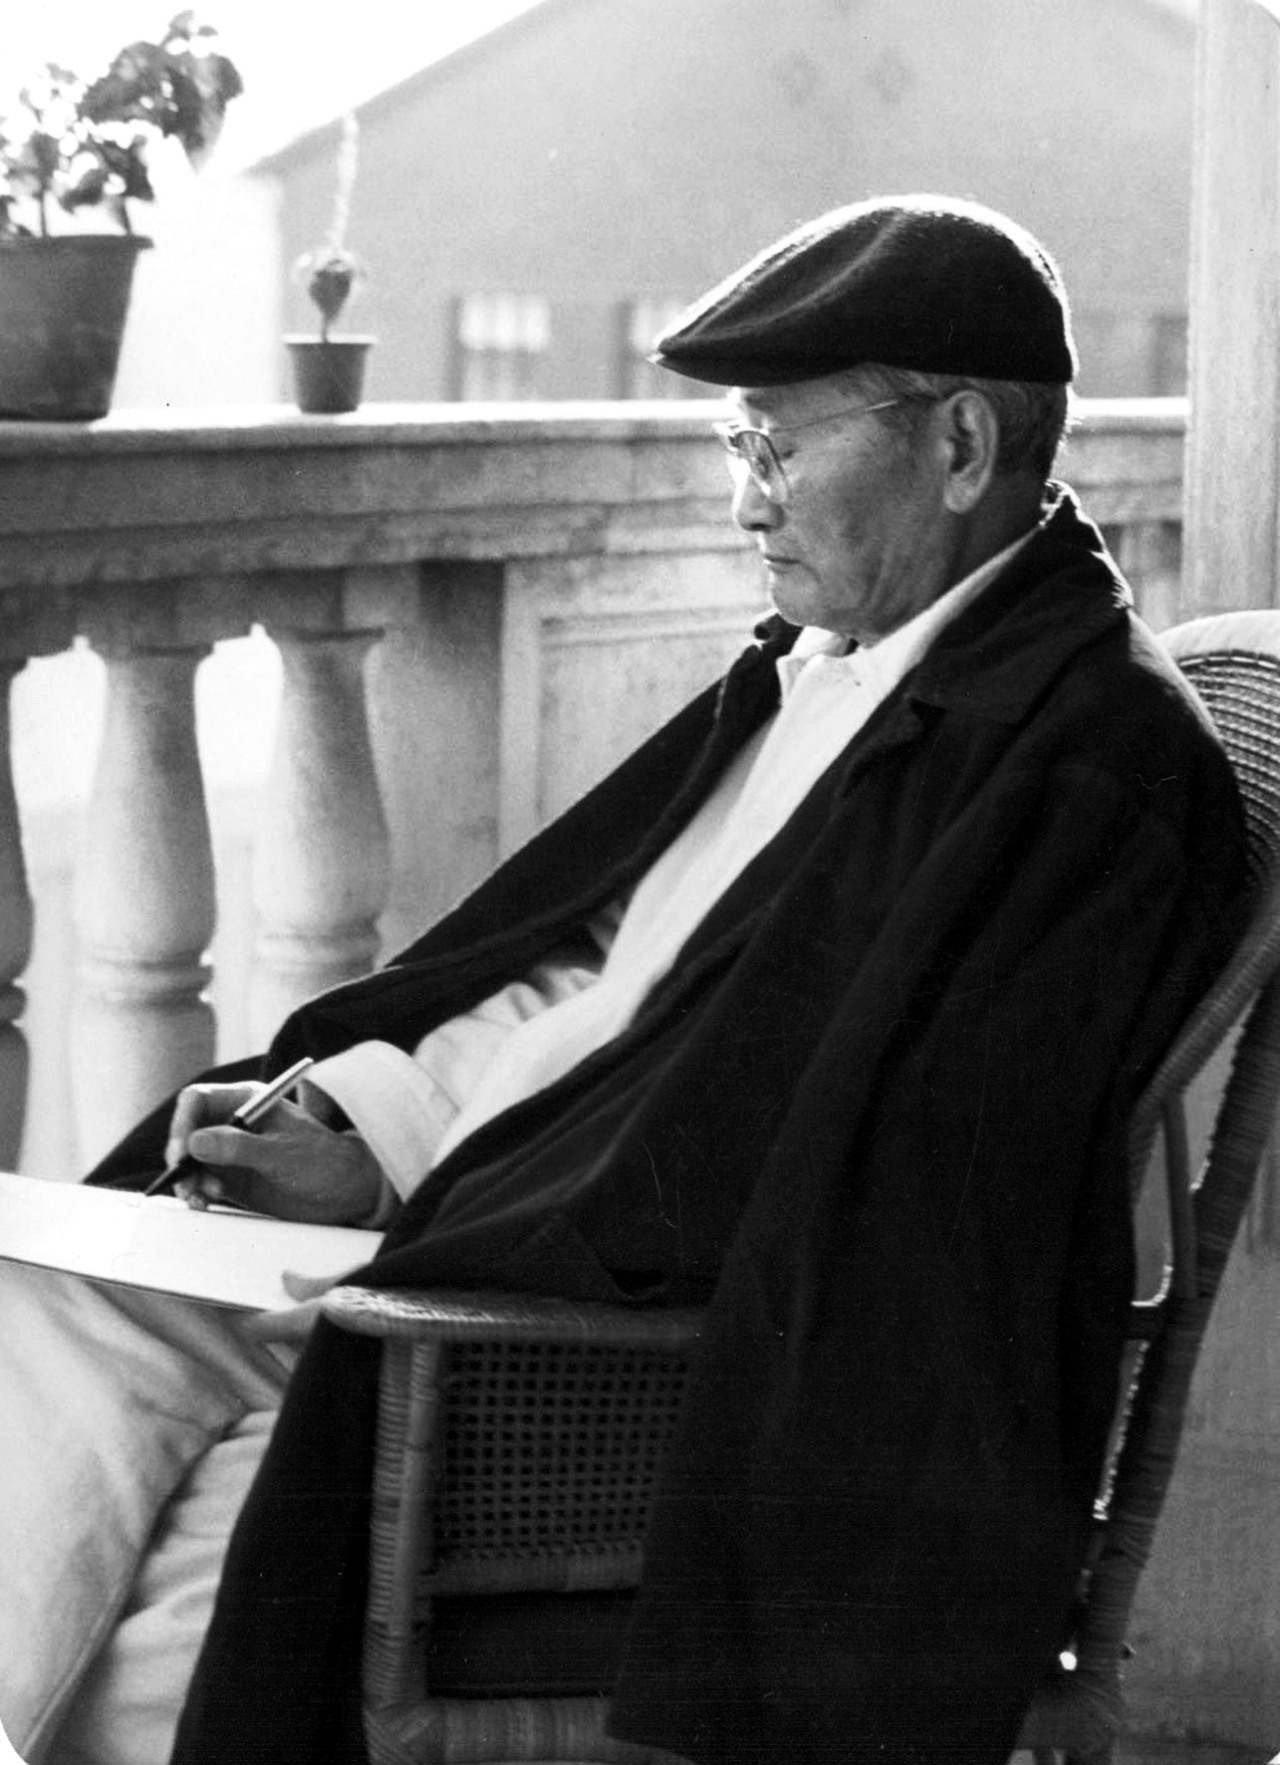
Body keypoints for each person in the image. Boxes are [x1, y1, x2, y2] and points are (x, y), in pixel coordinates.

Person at [2, 195, 1250, 1765]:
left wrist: (434, 1217)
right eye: (739, 448)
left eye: (776, 449)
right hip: (446, 1219)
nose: (746, 500)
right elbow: (602, 974)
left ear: (961, 445)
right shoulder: (829, 665)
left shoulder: (1073, 767)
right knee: (42, 1305)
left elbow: (864, 1206)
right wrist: (376, 1126)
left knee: (190, 1634)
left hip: (562, 1367)